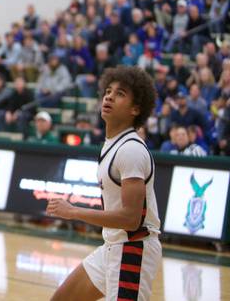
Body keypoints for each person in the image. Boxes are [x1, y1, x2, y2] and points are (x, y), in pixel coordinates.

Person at [47, 66, 161, 301]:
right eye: (108, 91)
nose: (109, 96)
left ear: (135, 109)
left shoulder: (130, 149)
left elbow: (130, 219)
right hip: (112, 245)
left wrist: (74, 211)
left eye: (120, 93)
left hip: (133, 248)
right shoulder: (112, 143)